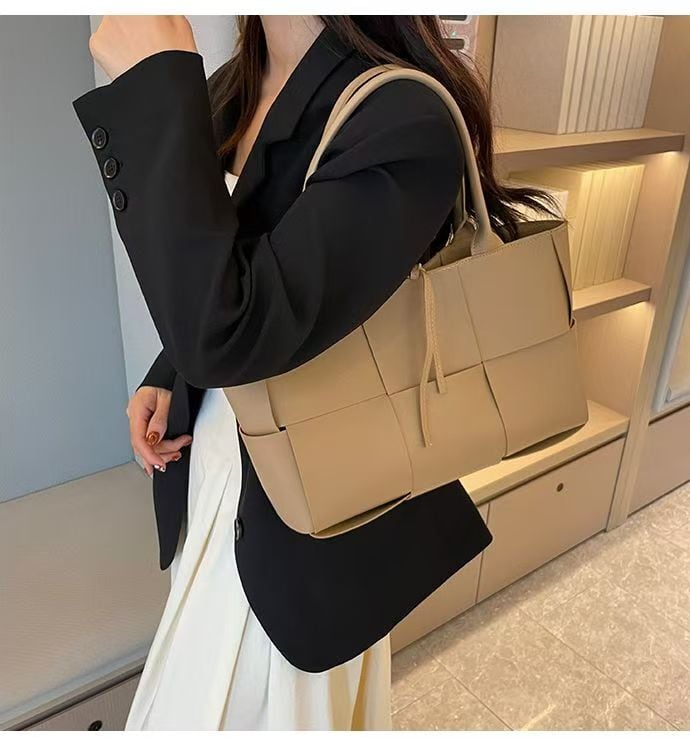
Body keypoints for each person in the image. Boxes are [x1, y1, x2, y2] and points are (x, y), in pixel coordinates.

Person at [72, 15, 555, 731]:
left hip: (308, 518)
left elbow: (239, 325)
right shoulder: (233, 88)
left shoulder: (400, 116)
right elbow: (223, 267)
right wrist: (168, 371)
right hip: (215, 469)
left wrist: (153, 87)